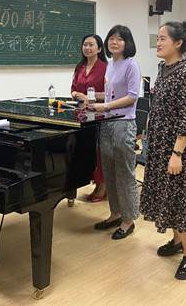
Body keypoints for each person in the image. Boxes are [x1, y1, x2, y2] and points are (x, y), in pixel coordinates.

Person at [140, 21, 186, 280]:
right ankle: (177, 241)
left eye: (163, 39)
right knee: (166, 195)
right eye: (158, 38)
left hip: (177, 147)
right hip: (159, 143)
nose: (158, 43)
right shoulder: (163, 68)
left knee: (179, 199)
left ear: (178, 43)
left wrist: (177, 154)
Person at [89, 25, 141, 240]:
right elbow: (111, 94)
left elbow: (132, 96)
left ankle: (129, 220)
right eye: (111, 38)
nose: (114, 42)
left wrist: (105, 106)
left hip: (124, 123)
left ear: (127, 43)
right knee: (109, 172)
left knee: (124, 174)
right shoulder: (111, 64)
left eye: (119, 39)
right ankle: (115, 214)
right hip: (107, 122)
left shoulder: (131, 65)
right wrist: (92, 98)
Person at [70, 34, 108, 202]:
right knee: (87, 151)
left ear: (99, 49)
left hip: (100, 114)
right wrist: (77, 94)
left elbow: (110, 94)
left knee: (99, 151)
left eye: (91, 45)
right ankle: (95, 183)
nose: (87, 48)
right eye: (85, 44)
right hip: (82, 115)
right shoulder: (80, 67)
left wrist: (89, 96)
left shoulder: (105, 68)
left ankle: (103, 186)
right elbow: (73, 89)